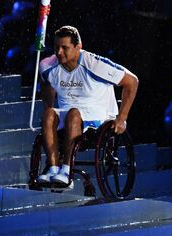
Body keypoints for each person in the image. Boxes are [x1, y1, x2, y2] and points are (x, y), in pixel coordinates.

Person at [36, 26, 139, 187]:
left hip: (98, 116)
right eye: (56, 47)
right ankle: (54, 168)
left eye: (65, 48)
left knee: (73, 114)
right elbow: (45, 82)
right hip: (69, 113)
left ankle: (66, 171)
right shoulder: (47, 66)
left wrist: (122, 118)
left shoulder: (95, 64)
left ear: (78, 46)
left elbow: (132, 81)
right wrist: (49, 105)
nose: (59, 52)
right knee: (49, 114)